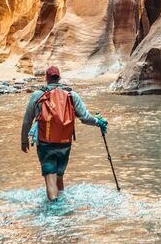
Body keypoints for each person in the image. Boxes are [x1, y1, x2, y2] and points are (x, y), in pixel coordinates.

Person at [20, 66, 107, 201]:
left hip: (45, 144)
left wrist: (24, 140)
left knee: (50, 178)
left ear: (47, 78)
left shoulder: (38, 95)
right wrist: (98, 122)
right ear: (59, 78)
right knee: (59, 176)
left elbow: (27, 120)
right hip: (65, 143)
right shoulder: (71, 95)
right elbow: (85, 117)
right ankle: (62, 204)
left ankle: (55, 212)